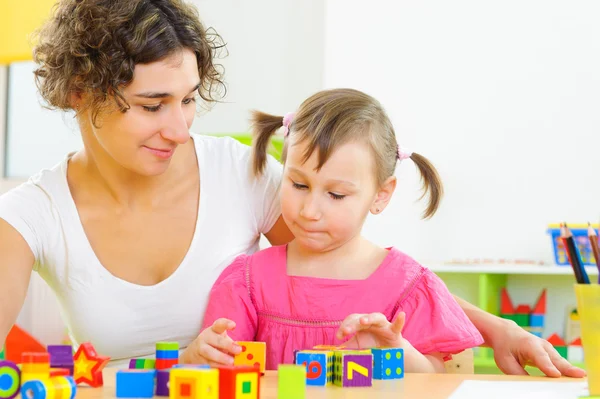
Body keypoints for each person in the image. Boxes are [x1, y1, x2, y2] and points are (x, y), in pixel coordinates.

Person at [0, 0, 584, 377]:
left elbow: (352, 275)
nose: (180, 128)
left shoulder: (239, 172)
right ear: (80, 91)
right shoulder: (34, 213)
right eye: (153, 105)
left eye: (189, 99)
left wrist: (498, 327)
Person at [192, 88, 484, 372]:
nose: (309, 211)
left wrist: (397, 351)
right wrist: (206, 354)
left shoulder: (409, 287)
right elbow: (222, 370)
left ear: (381, 194)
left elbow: (436, 380)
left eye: (336, 195)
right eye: (299, 185)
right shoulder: (248, 280)